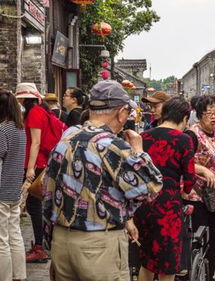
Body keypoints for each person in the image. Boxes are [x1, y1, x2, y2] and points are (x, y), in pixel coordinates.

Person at [42, 80, 163, 281]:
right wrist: (140, 151)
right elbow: (151, 188)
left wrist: (50, 243)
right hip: (98, 245)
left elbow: (48, 192)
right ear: (121, 112)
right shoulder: (113, 145)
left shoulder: (66, 139)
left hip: (62, 242)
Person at [134, 97, 195, 281]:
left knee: (147, 259)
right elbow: (190, 178)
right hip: (168, 206)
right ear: (184, 117)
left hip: (144, 203)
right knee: (167, 264)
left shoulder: (144, 136)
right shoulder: (184, 140)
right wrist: (186, 190)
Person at [186, 95, 215, 281]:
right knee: (198, 236)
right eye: (209, 113)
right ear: (199, 115)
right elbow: (184, 162)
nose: (213, 117)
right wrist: (202, 169)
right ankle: (193, 272)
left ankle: (208, 273)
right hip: (196, 194)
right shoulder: (192, 134)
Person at [15, 83, 53, 263]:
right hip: (37, 162)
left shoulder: (35, 113)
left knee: (34, 206)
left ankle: (40, 246)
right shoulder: (38, 111)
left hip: (36, 164)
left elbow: (36, 143)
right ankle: (41, 244)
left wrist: (30, 168)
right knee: (35, 206)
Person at [0, 89, 27, 281]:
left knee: (2, 240)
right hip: (15, 188)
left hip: (2, 189)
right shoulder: (20, 129)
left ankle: (5, 277)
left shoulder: (2, 130)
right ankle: (19, 274)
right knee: (15, 234)